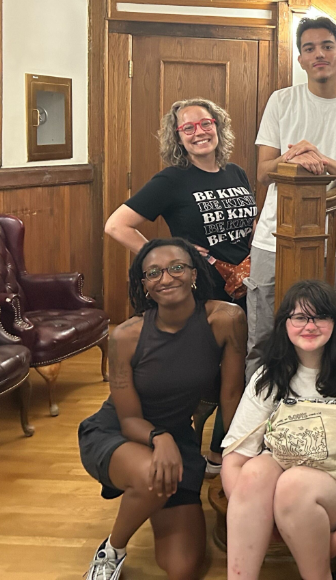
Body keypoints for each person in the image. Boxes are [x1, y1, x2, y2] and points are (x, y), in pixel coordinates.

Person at [78, 238, 247, 580]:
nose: (166, 278)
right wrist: (159, 437)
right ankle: (113, 550)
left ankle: (149, 495)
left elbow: (231, 395)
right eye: (153, 273)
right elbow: (127, 418)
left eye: (176, 268)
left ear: (194, 274)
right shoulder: (126, 336)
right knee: (153, 478)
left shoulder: (226, 319)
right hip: (120, 433)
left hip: (175, 440)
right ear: (144, 286)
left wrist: (237, 457)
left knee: (183, 567)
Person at [104, 97, 256, 474]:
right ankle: (195, 446)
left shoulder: (236, 172)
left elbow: (249, 226)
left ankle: (226, 448)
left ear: (218, 127)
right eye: (188, 128)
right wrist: (169, 264)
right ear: (178, 138)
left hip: (247, 286)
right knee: (212, 373)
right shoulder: (172, 180)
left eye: (205, 124)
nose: (198, 133)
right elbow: (116, 225)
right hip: (203, 293)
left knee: (246, 369)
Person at [221, 281, 336, 580]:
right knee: (254, 472)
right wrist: (263, 517)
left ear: (335, 322)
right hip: (286, 484)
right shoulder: (271, 372)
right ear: (285, 324)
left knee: (294, 485)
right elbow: (235, 458)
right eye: (300, 317)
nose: (310, 326)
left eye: (320, 317)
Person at [248, 16, 336, 377]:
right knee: (263, 339)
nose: (319, 53)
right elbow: (263, 172)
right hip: (271, 238)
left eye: (327, 46)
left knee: (322, 337)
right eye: (309, 48)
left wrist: (324, 161)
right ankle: (258, 425)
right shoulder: (281, 102)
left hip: (333, 242)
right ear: (300, 60)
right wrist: (292, 156)